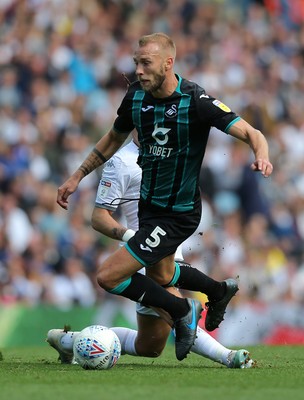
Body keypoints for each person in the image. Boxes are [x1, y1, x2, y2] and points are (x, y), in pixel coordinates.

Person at [57, 33, 273, 361]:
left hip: (178, 213)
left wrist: (262, 155)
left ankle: (184, 309)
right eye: (136, 63)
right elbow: (113, 138)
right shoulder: (136, 98)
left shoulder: (195, 100)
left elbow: (251, 132)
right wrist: (76, 176)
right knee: (159, 282)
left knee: (108, 276)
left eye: (146, 63)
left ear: (168, 63)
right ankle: (217, 291)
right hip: (149, 210)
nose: (139, 71)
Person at [47, 137, 253, 368]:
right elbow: (99, 217)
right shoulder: (122, 162)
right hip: (141, 252)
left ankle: (68, 340)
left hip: (171, 243)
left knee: (149, 346)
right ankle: (228, 357)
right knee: (178, 313)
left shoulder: (170, 149)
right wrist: (132, 237)